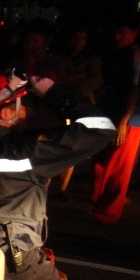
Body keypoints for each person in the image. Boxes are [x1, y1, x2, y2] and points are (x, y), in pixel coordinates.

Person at [0, 69, 115, 280]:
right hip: (13, 249)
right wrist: (53, 92)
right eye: (22, 105)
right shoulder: (29, 152)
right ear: (6, 113)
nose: (28, 110)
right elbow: (101, 128)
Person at [90, 15, 140, 224]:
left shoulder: (135, 56)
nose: (117, 37)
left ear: (135, 33)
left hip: (130, 119)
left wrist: (124, 121)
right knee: (101, 161)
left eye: (123, 33)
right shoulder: (116, 54)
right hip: (109, 113)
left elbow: (135, 89)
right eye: (116, 33)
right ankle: (98, 205)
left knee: (118, 166)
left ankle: (108, 213)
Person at [53, 23, 103, 199]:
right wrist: (79, 75)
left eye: (82, 39)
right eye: (75, 38)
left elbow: (95, 80)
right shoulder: (58, 57)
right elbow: (57, 79)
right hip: (58, 105)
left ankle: (62, 188)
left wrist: (74, 80)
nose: (78, 42)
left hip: (80, 106)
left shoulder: (91, 58)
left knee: (72, 144)